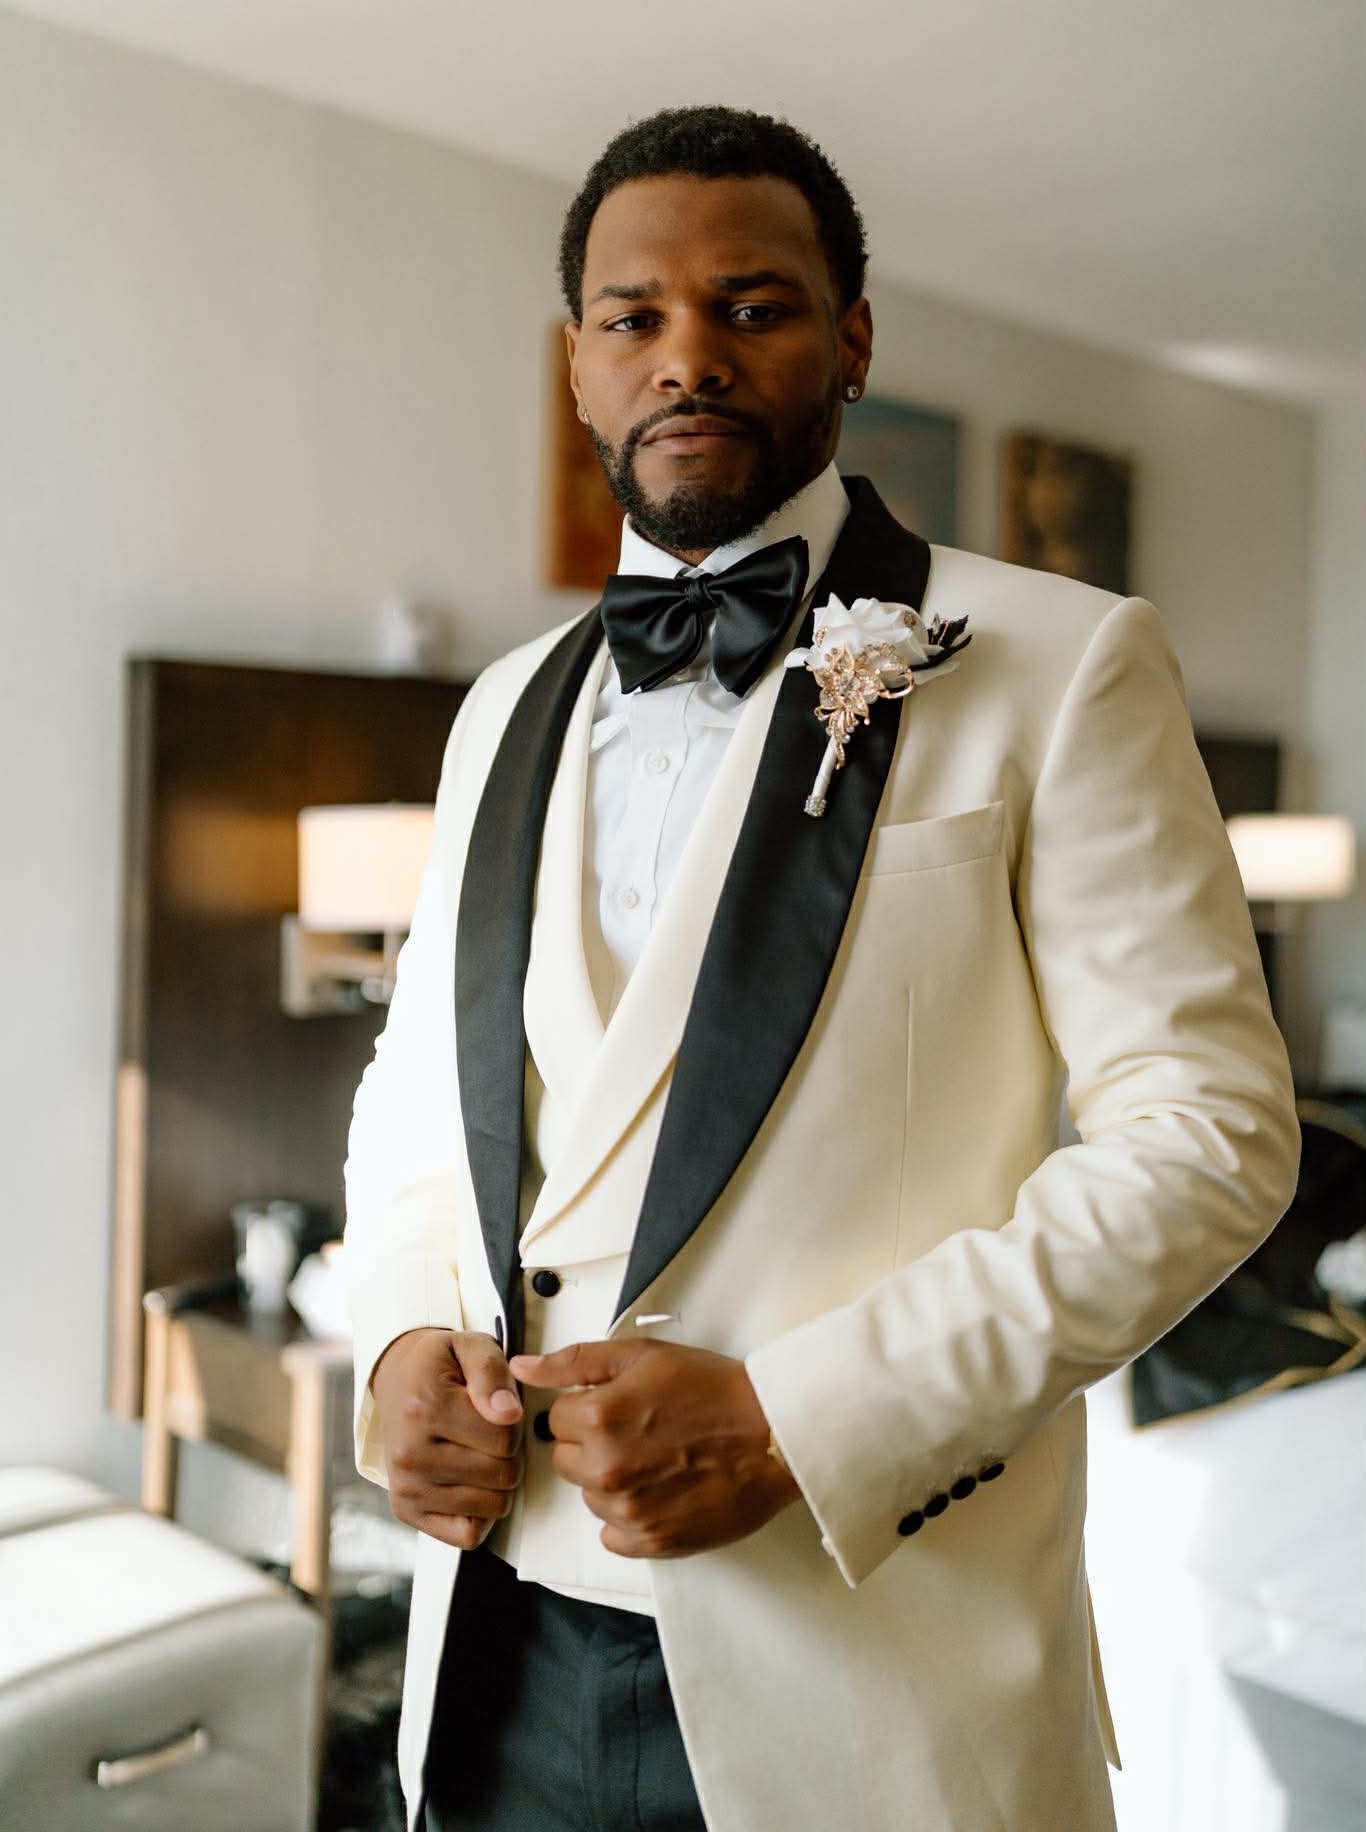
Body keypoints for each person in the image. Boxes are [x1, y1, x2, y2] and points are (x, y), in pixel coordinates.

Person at [342, 105, 1298, 1832]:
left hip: (873, 1680)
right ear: (578, 364)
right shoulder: (499, 706)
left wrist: (803, 1417)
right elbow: (422, 1089)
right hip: (494, 1643)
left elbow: (1209, 1137)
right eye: (633, 317)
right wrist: (406, 1330)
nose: (686, 354)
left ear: (850, 338)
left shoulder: (1061, 664)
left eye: (752, 304)